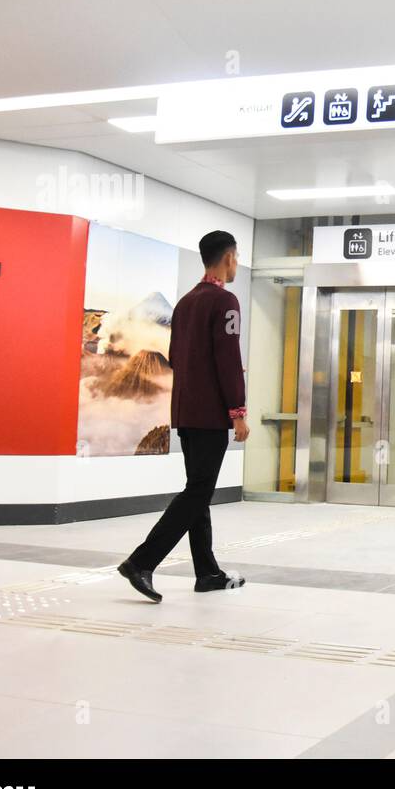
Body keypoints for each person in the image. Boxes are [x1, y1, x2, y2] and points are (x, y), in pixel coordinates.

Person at [118, 231, 250, 603]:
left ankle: (207, 572)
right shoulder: (225, 301)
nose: (236, 263)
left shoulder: (186, 303)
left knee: (199, 489)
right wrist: (237, 412)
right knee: (197, 492)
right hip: (210, 416)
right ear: (227, 258)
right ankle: (142, 561)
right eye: (236, 257)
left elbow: (176, 357)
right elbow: (228, 362)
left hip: (185, 412)